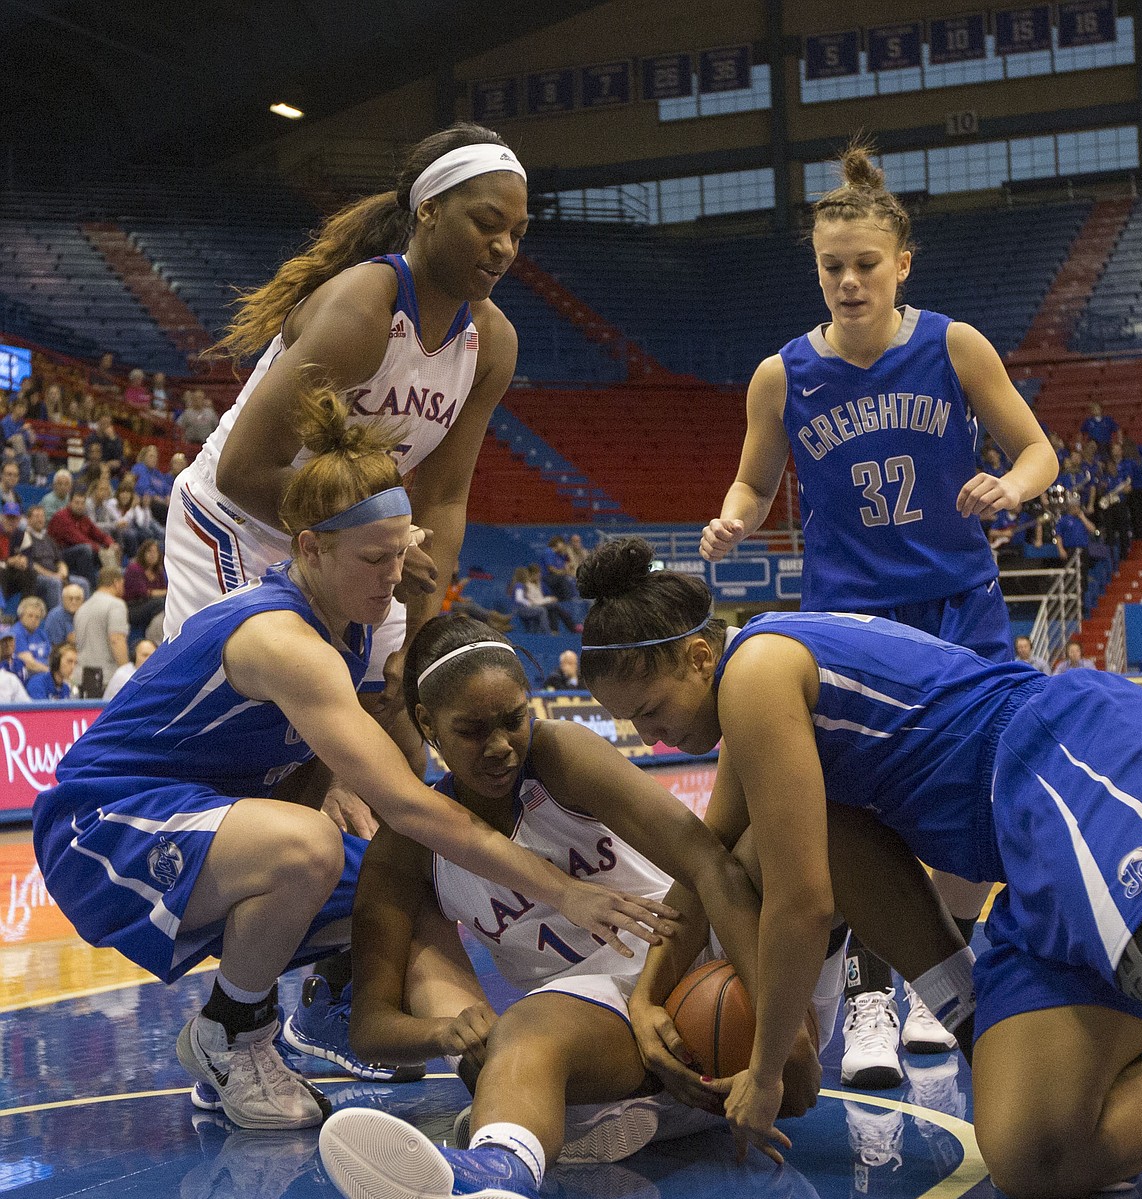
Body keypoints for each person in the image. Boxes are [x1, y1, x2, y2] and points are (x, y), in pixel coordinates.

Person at [33, 392, 672, 1133]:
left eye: (402, 554)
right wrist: (565, 890)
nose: (392, 576)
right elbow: (408, 803)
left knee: (404, 889)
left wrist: (333, 780)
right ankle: (232, 1034)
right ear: (310, 549)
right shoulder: (285, 639)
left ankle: (494, 1061)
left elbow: (343, 778)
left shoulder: (351, 626)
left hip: (196, 820)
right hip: (101, 825)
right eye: (374, 559)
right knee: (310, 847)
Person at [576, 537, 1142, 1199]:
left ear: (700, 658)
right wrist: (645, 994)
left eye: (649, 711)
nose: (652, 739)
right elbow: (708, 867)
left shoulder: (756, 671)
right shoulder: (748, 696)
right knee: (1030, 1154)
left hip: (1065, 758)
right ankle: (1133, 1044)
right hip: (1021, 853)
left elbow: (802, 905)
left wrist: (764, 1072)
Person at [699, 141, 1058, 1087]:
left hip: (958, 609)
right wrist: (734, 519)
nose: (849, 281)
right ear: (816, 270)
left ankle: (955, 980)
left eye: (866, 265)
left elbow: (1038, 450)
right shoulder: (781, 376)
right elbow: (753, 478)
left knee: (976, 804)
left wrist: (1010, 486)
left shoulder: (954, 346)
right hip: (847, 623)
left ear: (903, 265)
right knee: (853, 818)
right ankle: (867, 1001)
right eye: (831, 267)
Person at [316, 613, 829, 1199]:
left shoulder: (557, 755)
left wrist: (779, 1039)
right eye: (473, 731)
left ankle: (531, 1144)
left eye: (514, 719)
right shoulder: (404, 850)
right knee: (516, 1037)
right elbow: (369, 1028)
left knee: (777, 844)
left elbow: (713, 867)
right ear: (427, 723)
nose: (502, 745)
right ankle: (497, 1181)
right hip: (595, 1017)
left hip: (699, 958)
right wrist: (444, 1033)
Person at [162, 122, 527, 720]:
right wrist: (372, 540)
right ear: (429, 210)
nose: (504, 247)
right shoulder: (362, 310)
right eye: (487, 224)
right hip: (240, 523)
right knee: (261, 722)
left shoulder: (493, 343)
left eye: (516, 233)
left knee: (398, 722)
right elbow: (244, 471)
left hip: (357, 543)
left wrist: (417, 634)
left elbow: (444, 498)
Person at [72, 566, 129, 698]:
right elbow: (117, 640)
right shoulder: (115, 605)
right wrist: (126, 673)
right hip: (105, 679)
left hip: (81, 677)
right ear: (116, 582)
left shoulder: (82, 608)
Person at [122, 538, 168, 638]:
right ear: (143, 553)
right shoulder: (134, 569)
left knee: (166, 603)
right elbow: (144, 593)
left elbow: (162, 591)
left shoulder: (158, 572)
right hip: (132, 607)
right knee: (160, 602)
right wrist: (165, 592)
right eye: (149, 551)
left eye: (155, 552)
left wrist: (164, 593)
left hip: (150, 605)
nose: (153, 555)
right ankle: (153, 636)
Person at [102, 637, 157, 702]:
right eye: (145, 655)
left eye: (152, 655)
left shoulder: (159, 674)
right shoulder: (123, 674)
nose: (149, 659)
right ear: (134, 656)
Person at [12, 596, 50, 684]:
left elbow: (50, 657)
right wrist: (51, 673)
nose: (33, 620)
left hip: (44, 675)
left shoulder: (41, 633)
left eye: (37, 617)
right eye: (30, 616)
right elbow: (29, 664)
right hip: (27, 678)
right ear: (21, 616)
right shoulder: (16, 633)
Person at [44, 581, 85, 649]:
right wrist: (68, 642)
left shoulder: (86, 615)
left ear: (83, 601)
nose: (74, 602)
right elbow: (54, 648)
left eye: (77, 599)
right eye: (70, 598)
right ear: (63, 600)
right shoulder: (55, 616)